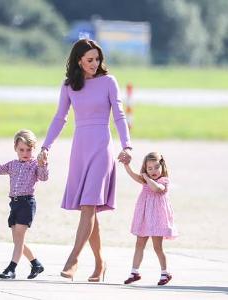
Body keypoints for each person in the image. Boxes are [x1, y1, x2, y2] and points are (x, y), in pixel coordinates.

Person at [37, 38, 132, 282]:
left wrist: (127, 145)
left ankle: (73, 260)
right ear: (79, 60)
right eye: (89, 59)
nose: (94, 63)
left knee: (89, 205)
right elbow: (60, 118)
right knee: (89, 209)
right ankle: (100, 264)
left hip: (102, 146)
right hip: (80, 148)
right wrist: (46, 146)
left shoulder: (109, 82)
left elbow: (120, 116)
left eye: (97, 59)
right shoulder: (69, 85)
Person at [0, 129, 48, 279]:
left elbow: (44, 177)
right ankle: (36, 264)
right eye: (21, 149)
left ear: (34, 149)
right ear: (15, 148)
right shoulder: (12, 165)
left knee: (19, 238)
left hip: (27, 203)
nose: (25, 153)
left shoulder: (34, 165)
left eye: (29, 150)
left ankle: (11, 269)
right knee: (18, 240)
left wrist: (43, 164)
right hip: (14, 204)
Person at [122, 152, 178, 286]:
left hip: (158, 219)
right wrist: (127, 166)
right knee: (139, 244)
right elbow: (135, 177)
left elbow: (156, 188)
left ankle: (165, 272)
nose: (153, 171)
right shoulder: (146, 179)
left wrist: (146, 177)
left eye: (156, 167)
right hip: (145, 217)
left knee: (157, 247)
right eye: (149, 168)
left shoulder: (163, 181)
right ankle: (134, 272)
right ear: (145, 168)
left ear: (162, 167)